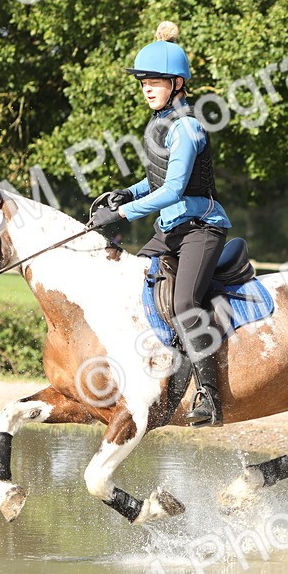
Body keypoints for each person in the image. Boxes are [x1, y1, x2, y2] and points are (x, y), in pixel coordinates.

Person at [89, 21, 230, 428]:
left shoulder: (187, 127)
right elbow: (155, 180)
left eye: (155, 82)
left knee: (184, 304)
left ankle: (209, 397)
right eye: (144, 83)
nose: (147, 89)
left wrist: (121, 215)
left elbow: (172, 190)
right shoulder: (161, 123)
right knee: (131, 283)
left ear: (177, 84)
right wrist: (126, 193)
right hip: (171, 231)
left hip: (201, 229)